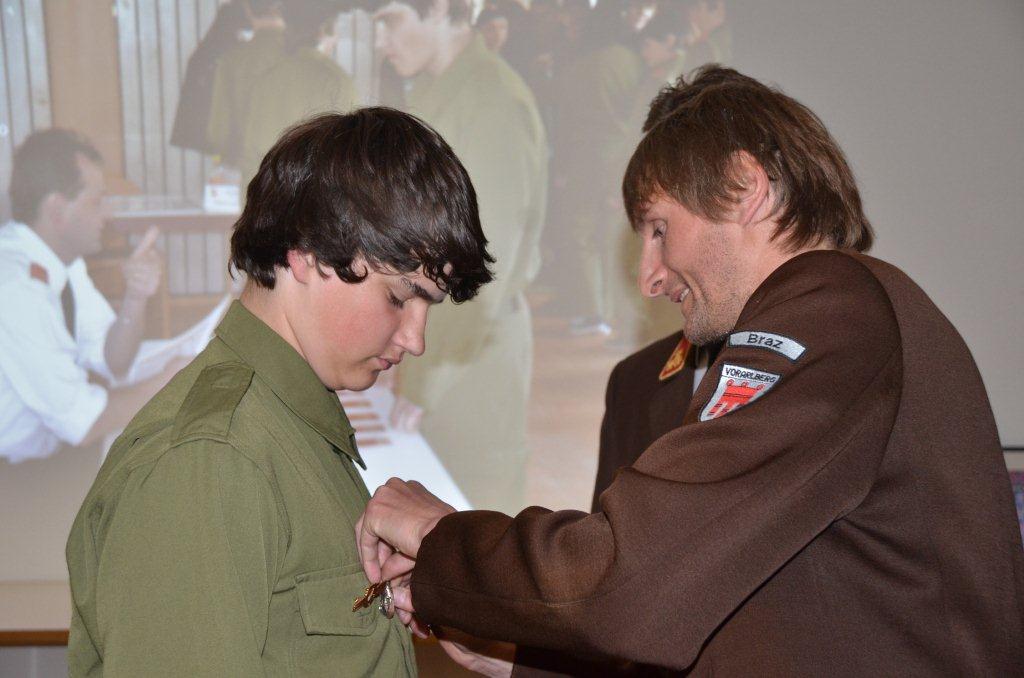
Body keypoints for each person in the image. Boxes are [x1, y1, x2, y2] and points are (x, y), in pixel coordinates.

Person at [356, 66, 1024, 675]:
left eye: (658, 229)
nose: (649, 277)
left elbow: (632, 575)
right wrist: (520, 658)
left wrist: (442, 537)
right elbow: (720, 611)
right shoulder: (850, 318)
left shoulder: (833, 304)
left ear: (744, 188)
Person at [66, 108, 494, 677]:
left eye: (427, 306)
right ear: (307, 253)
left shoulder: (286, 421)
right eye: (398, 297)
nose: (416, 339)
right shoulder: (212, 460)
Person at [373, 0, 548, 513]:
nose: (382, 42)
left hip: (472, 357)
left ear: (439, 9)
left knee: (478, 518)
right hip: (439, 342)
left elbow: (484, 271)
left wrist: (427, 380)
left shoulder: (492, 101)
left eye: (390, 21)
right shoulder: (437, 90)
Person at [0, 128, 164, 463]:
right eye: (97, 202)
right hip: (16, 479)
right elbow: (84, 422)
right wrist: (171, 382)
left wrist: (136, 297)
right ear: (57, 210)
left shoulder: (62, 262)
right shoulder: (15, 286)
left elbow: (113, 360)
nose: (107, 215)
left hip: (50, 454)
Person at [239, 0, 356, 189]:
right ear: (325, 29)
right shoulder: (336, 80)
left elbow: (250, 157)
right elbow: (349, 156)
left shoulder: (266, 80)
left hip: (269, 195)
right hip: (318, 197)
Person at [206, 0, 286, 167]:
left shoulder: (231, 61)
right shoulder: (307, 61)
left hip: (249, 169)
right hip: (298, 169)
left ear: (247, 10)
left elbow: (218, 133)